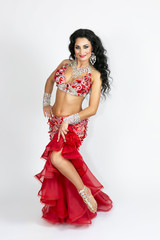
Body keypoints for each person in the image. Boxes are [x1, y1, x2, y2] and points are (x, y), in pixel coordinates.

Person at [34, 28, 113, 225]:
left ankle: (84, 191)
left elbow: (92, 109)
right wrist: (46, 102)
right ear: (73, 48)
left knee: (56, 157)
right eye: (78, 47)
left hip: (73, 124)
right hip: (55, 123)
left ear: (92, 48)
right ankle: (69, 209)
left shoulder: (94, 75)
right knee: (61, 164)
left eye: (85, 46)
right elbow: (49, 81)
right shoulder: (64, 64)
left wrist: (69, 120)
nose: (81, 51)